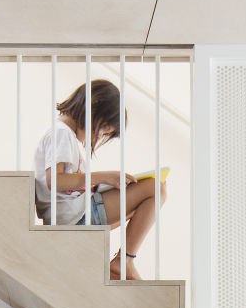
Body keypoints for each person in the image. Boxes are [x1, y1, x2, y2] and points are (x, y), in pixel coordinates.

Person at [32, 78, 168, 282]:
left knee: (147, 204)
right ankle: (124, 262)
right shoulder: (60, 133)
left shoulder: (63, 134)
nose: (99, 135)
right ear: (92, 109)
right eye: (103, 128)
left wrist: (98, 186)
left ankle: (124, 262)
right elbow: (56, 181)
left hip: (77, 215)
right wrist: (105, 176)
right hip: (76, 219)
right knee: (155, 188)